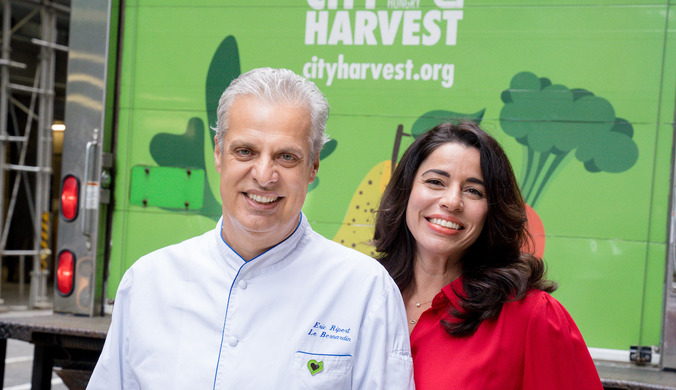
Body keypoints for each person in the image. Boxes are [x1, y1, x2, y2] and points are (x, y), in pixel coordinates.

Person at [88, 68, 414, 389]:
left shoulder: (365, 292)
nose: (263, 175)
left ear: (313, 166)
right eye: (245, 151)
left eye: (286, 157)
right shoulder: (148, 283)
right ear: (218, 153)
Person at [374, 121, 602, 389]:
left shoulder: (532, 317)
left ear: (492, 211)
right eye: (436, 181)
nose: (452, 201)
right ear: (407, 191)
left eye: (473, 191)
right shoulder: (364, 294)